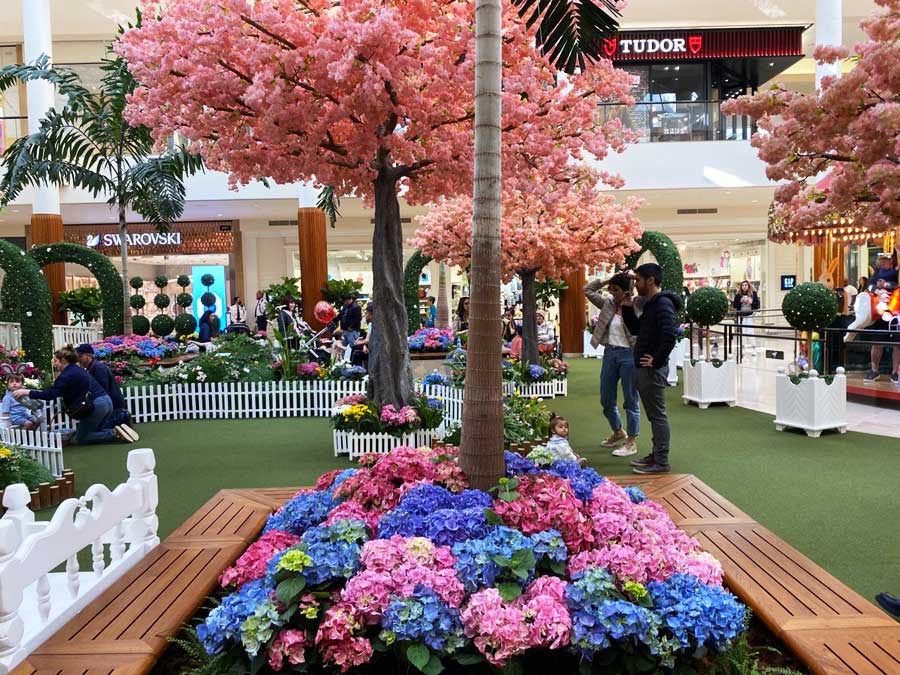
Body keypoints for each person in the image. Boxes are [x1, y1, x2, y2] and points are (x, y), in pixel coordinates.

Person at [622, 263, 682, 475]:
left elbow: (670, 334)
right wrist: (628, 307)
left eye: (638, 280)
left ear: (650, 280)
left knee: (657, 416)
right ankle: (656, 455)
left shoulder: (662, 303)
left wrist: (656, 360)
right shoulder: (652, 303)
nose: (636, 284)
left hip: (651, 370)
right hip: (644, 368)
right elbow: (638, 329)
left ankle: (661, 460)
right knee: (654, 415)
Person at [15, 347, 135, 444]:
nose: (54, 363)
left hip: (97, 405)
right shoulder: (78, 369)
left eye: (55, 360)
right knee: (95, 430)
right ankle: (118, 429)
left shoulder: (66, 375)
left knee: (82, 438)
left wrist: (27, 392)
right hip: (106, 402)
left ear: (63, 360)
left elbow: (51, 394)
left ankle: (113, 433)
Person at [584, 272, 640, 457]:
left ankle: (631, 441)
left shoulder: (635, 305)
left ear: (626, 292)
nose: (611, 292)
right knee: (606, 397)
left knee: (630, 400)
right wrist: (609, 279)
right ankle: (618, 431)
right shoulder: (608, 303)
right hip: (610, 353)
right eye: (611, 289)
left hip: (629, 356)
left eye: (616, 290)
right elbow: (588, 290)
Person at [75, 344, 134, 434]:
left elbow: (103, 390)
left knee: (94, 428)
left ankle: (121, 418)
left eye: (80, 356)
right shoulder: (92, 368)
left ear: (89, 355)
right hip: (109, 404)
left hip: (113, 406)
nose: (78, 359)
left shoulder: (98, 368)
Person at [865, 254, 899, 383]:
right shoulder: (879, 271)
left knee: (897, 343)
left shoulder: (896, 270)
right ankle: (874, 369)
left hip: (896, 310)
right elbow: (870, 284)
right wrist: (877, 290)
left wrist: (887, 284)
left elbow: (895, 284)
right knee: (877, 342)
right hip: (881, 311)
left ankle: (895, 371)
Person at [732, 280, 760, 352]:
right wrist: (740, 301)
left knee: (750, 331)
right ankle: (743, 347)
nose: (744, 287)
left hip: (749, 315)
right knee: (742, 332)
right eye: (743, 285)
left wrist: (751, 302)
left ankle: (754, 347)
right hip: (741, 316)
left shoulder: (753, 294)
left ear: (748, 286)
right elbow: (735, 305)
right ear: (741, 287)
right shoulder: (738, 295)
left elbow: (757, 305)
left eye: (746, 285)